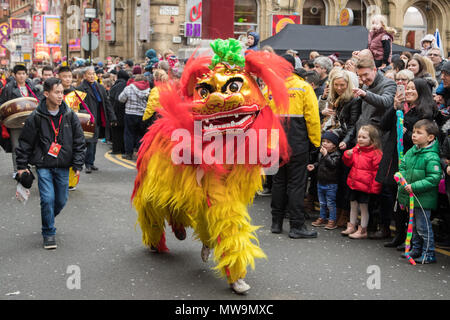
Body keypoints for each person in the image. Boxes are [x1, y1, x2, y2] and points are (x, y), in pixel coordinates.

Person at [15, 78, 86, 249]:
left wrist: (77, 165)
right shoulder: (36, 117)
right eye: (57, 92)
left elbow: (79, 141)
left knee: (60, 200)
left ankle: (48, 218)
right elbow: (25, 142)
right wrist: (22, 167)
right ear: (46, 94)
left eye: (62, 92)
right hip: (43, 164)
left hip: (63, 165)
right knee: (47, 199)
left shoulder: (70, 115)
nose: (61, 96)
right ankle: (48, 232)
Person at [267, 54, 321, 239]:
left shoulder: (270, 87)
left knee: (278, 182)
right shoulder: (304, 87)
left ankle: (276, 222)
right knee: (296, 184)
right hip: (297, 141)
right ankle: (297, 226)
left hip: (275, 141)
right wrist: (315, 142)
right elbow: (313, 118)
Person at [397, 119, 441, 264]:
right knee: (413, 226)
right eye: (414, 132)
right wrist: (402, 178)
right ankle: (416, 249)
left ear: (430, 137)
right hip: (412, 197)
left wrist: (414, 186)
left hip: (423, 199)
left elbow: (433, 178)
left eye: (419, 133)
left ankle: (429, 253)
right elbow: (402, 164)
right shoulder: (412, 151)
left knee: (423, 227)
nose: (414, 135)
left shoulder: (432, 157)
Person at [341, 125, 383, 239]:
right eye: (359, 137)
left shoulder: (376, 153)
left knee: (364, 208)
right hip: (354, 183)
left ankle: (363, 229)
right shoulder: (356, 149)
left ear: (372, 139)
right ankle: (352, 225)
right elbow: (348, 163)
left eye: (364, 137)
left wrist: (375, 188)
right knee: (353, 205)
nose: (360, 139)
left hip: (366, 186)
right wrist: (347, 155)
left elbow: (377, 173)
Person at [0, 64, 42, 176]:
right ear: (14, 75)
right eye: (19, 74)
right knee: (16, 146)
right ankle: (16, 169)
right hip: (15, 122)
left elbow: (38, 101)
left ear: (26, 74)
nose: (21, 76)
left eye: (23, 73)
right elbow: (2, 104)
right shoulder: (8, 88)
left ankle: (28, 165)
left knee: (32, 144)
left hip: (31, 121)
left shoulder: (32, 86)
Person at [77, 67, 117, 173]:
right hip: (87, 119)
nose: (91, 76)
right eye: (89, 74)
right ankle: (87, 164)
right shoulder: (81, 88)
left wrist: (112, 116)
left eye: (93, 74)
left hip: (99, 117)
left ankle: (91, 162)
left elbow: (106, 103)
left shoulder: (100, 87)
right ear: (84, 76)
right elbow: (79, 105)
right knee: (89, 142)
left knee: (94, 142)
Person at [309, 131, 341, 230]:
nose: (324, 143)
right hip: (321, 182)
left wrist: (326, 155)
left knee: (330, 203)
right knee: (322, 203)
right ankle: (322, 218)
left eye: (328, 142)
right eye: (323, 141)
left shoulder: (336, 155)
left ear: (334, 145)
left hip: (331, 184)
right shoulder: (321, 153)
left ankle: (332, 220)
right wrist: (314, 165)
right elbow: (320, 163)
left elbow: (332, 165)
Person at [353, 58, 397, 131]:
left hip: (378, 134)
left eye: (365, 74)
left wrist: (365, 94)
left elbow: (386, 102)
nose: (363, 79)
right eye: (360, 76)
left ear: (374, 70)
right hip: (362, 132)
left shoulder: (389, 83)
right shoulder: (365, 85)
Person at [118, 74, 150, 160]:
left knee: (129, 133)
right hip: (142, 114)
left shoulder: (129, 88)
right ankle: (140, 153)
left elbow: (121, 99)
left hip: (130, 113)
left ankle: (128, 153)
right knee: (140, 134)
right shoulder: (148, 90)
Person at [109, 70, 130, 155]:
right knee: (122, 131)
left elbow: (116, 99)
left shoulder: (118, 85)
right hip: (124, 111)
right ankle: (122, 148)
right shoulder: (126, 84)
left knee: (116, 131)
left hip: (117, 111)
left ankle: (116, 149)